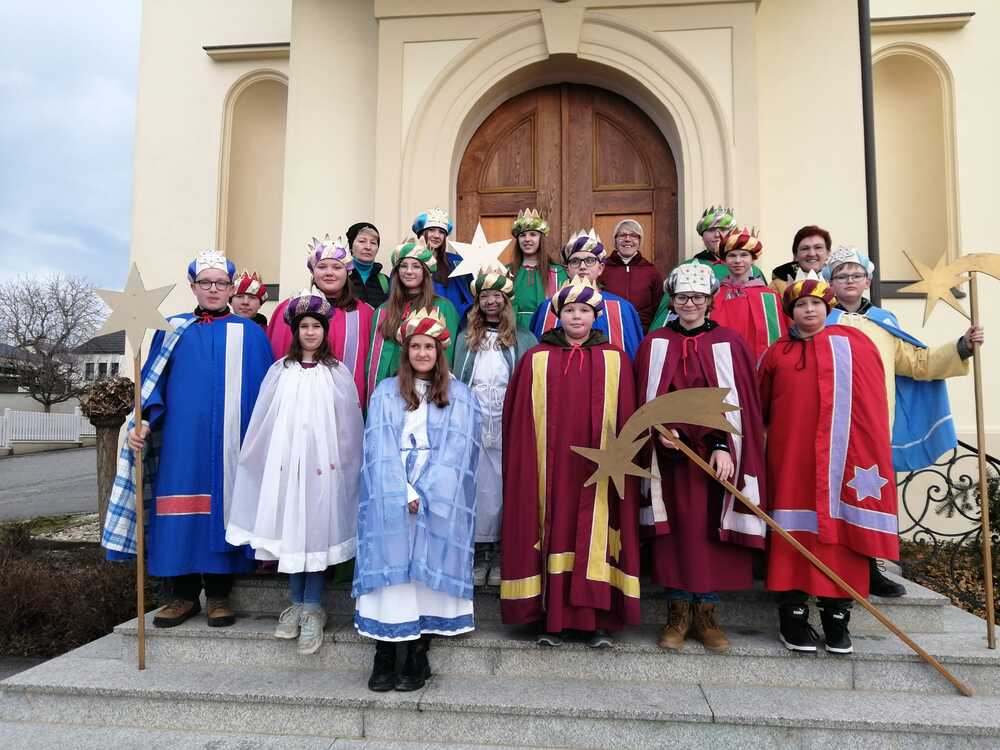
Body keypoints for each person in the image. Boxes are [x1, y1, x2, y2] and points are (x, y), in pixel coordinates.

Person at [102, 249, 274, 628]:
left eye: (221, 283)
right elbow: (153, 381)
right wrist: (142, 420)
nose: (213, 289)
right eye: (205, 282)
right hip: (182, 443)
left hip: (232, 444)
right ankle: (182, 596)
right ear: (192, 286)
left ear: (231, 289)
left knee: (223, 513)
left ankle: (219, 595)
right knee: (179, 514)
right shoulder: (171, 329)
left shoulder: (250, 334)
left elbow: (266, 393)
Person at [823, 246, 985, 596]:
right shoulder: (819, 321)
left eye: (855, 275)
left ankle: (870, 569)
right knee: (827, 495)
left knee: (870, 496)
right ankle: (828, 567)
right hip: (830, 427)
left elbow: (917, 362)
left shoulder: (884, 323)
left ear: (867, 280)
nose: (849, 281)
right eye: (841, 276)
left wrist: (962, 346)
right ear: (830, 283)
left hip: (872, 426)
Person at [759, 277, 899, 655]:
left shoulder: (855, 345)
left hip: (844, 462)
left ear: (828, 308)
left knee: (838, 537)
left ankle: (837, 619)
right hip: (792, 460)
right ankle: (793, 618)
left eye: (816, 304)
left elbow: (873, 402)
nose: (809, 309)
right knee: (793, 535)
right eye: (801, 305)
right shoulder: (777, 353)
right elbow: (762, 405)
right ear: (790, 313)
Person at [635, 262, 767, 653]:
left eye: (696, 297)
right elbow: (646, 400)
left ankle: (706, 615)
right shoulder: (655, 343)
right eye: (681, 297)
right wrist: (663, 430)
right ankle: (677, 613)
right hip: (670, 459)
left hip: (715, 461)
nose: (689, 303)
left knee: (710, 534)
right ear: (671, 301)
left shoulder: (729, 342)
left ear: (710, 301)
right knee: (675, 535)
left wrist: (724, 446)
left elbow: (740, 404)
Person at [502, 277, 641, 648]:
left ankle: (595, 620)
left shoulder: (615, 359)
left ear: (596, 316)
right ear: (557, 316)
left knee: (595, 532)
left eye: (584, 310)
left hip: (599, 471)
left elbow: (628, 420)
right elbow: (518, 422)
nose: (576, 316)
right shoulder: (536, 359)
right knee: (554, 530)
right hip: (549, 471)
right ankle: (552, 619)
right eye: (569, 310)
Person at [226, 290, 364, 655]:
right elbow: (263, 419)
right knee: (291, 531)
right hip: (286, 467)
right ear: (295, 331)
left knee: (315, 533)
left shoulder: (336, 373)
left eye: (316, 326)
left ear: (325, 331)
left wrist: (344, 463)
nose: (310, 332)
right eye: (304, 326)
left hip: (323, 470)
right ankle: (297, 604)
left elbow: (349, 425)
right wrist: (259, 459)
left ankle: (313, 607)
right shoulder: (280, 372)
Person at [353, 307, 481, 692]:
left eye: (429, 347)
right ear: (406, 352)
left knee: (425, 574)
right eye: (415, 347)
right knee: (393, 571)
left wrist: (427, 493)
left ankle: (418, 652)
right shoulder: (386, 392)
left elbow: (459, 449)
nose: (422, 353)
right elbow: (377, 445)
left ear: (440, 352)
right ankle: (385, 652)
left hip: (439, 496)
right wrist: (403, 491)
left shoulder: (459, 396)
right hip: (392, 493)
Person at [453, 264, 537, 587]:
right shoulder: (465, 339)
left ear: (507, 300)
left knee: (505, 485)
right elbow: (456, 380)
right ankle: (478, 552)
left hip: (507, 422)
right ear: (477, 302)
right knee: (474, 485)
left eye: (497, 295)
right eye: (485, 296)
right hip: (473, 423)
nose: (491, 301)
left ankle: (502, 552)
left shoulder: (523, 338)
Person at [267, 234, 373, 404]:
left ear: (347, 272)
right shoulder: (288, 310)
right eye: (322, 266)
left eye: (337, 267)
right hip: (297, 405)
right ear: (312, 271)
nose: (329, 273)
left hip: (346, 407)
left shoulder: (365, 314)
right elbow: (276, 360)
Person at [529, 229, 644, 359]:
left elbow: (633, 358)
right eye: (575, 261)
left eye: (590, 260)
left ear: (600, 268)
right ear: (567, 269)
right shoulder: (547, 308)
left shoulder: (622, 308)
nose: (582, 266)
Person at [367, 236, 460, 394]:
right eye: (403, 266)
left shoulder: (443, 308)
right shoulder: (383, 311)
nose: (409, 271)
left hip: (429, 392)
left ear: (426, 272)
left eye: (416, 266)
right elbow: (375, 362)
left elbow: (447, 357)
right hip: (391, 392)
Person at [648, 207, 763, 330]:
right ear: (702, 235)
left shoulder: (752, 270)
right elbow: (668, 311)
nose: (717, 235)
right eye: (711, 230)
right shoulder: (687, 269)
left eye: (723, 229)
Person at [710, 227, 787, 362]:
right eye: (732, 255)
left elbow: (777, 338)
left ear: (753, 259)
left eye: (744, 255)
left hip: (758, 363)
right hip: (722, 362)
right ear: (724, 260)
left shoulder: (770, 297)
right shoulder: (714, 295)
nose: (738, 260)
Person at [599, 219, 665, 330]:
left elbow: (659, 309)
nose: (627, 239)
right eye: (622, 235)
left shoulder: (651, 271)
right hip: (609, 330)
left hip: (642, 332)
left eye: (634, 236)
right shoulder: (602, 269)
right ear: (615, 240)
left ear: (639, 241)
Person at [508, 208, 567, 329]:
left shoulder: (558, 272)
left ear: (541, 238)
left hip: (548, 330)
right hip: (514, 331)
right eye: (522, 235)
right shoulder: (506, 272)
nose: (527, 239)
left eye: (533, 234)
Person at [412, 207, 474, 321]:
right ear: (421, 233)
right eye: (432, 230)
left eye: (441, 232)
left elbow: (468, 296)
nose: (437, 235)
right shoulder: (408, 261)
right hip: (417, 324)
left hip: (451, 323)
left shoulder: (456, 262)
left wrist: (456, 317)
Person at [770, 225, 832, 295]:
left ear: (828, 253)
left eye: (818, 247)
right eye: (805, 248)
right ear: (795, 255)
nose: (812, 254)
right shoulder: (778, 288)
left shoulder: (835, 284)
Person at [347, 221, 390, 309]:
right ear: (351, 246)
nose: (368, 247)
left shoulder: (385, 281)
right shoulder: (340, 277)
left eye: (373, 243)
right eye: (362, 241)